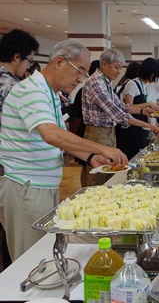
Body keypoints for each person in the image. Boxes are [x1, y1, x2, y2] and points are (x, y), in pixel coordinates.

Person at [0, 40, 128, 261]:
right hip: (25, 185)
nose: (81, 79)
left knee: (42, 251)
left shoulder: (49, 92)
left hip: (42, 185)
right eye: (80, 71)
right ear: (59, 62)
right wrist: (102, 147)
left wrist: (90, 156)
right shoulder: (31, 90)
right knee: (29, 259)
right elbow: (50, 133)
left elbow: (59, 139)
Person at [82, 49, 159, 186]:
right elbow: (118, 114)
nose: (119, 71)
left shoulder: (105, 82)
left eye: (121, 67)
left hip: (107, 133)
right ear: (105, 64)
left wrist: (142, 111)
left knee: (108, 172)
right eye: (116, 67)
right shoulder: (96, 83)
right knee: (98, 176)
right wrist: (149, 126)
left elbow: (122, 106)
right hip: (97, 133)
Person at [0, 28, 39, 269]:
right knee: (13, 227)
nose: (29, 66)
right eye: (29, 60)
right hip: (9, 163)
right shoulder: (11, 85)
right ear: (17, 56)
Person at [118, 58, 159, 159]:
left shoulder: (143, 85)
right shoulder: (132, 84)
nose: (156, 78)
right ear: (150, 72)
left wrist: (153, 122)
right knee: (133, 155)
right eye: (155, 74)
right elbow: (128, 106)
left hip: (141, 125)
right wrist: (148, 104)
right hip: (131, 127)